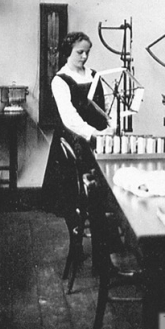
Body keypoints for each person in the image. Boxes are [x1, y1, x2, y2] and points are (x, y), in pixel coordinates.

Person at [41, 32, 115, 219]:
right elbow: (69, 117)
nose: (85, 56)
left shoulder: (95, 75)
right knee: (78, 197)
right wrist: (94, 134)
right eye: (80, 52)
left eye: (87, 52)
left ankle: (104, 228)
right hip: (76, 139)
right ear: (68, 51)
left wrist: (112, 126)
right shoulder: (60, 80)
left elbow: (109, 104)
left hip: (101, 136)